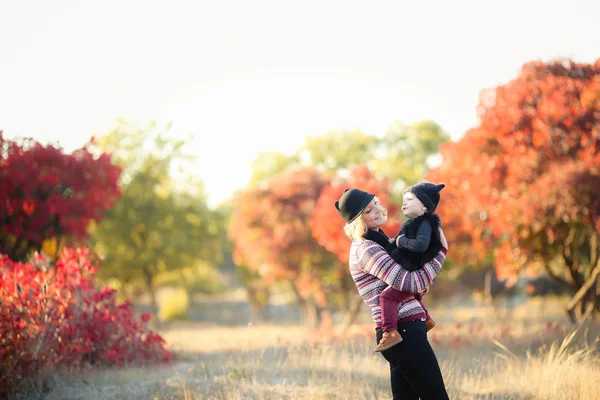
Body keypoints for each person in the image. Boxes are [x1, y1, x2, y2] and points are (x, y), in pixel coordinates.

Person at [335, 188, 449, 400]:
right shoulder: (366, 248)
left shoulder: (383, 241)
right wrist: (441, 253)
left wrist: (421, 285)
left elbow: (415, 285)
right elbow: (408, 282)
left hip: (406, 328)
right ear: (358, 221)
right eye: (369, 210)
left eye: (376, 203)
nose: (377, 210)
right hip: (402, 332)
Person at [371, 182, 446, 352]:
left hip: (414, 268)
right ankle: (427, 319)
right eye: (403, 199)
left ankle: (390, 332)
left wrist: (400, 241)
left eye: (410, 199)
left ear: (425, 207)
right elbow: (395, 244)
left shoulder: (425, 224)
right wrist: (392, 242)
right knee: (415, 294)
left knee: (387, 296)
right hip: (411, 269)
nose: (404, 202)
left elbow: (420, 245)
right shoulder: (412, 224)